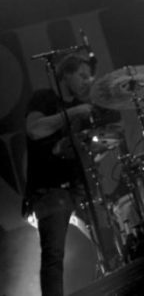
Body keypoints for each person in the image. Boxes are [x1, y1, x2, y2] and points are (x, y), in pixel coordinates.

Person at [24, 54, 96, 296]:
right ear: (66, 75)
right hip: (50, 191)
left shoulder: (79, 107)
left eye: (89, 77)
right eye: (82, 76)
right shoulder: (44, 98)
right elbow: (34, 130)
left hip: (76, 187)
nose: (87, 81)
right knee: (54, 256)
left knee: (100, 244)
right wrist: (73, 112)